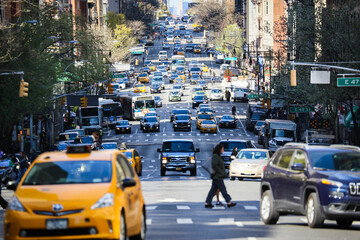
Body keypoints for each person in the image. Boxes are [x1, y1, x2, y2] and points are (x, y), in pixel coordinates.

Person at [205, 144, 236, 208]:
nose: (223, 150)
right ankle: (229, 202)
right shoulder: (216, 156)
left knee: (213, 190)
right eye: (222, 149)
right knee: (223, 190)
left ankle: (208, 202)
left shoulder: (217, 156)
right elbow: (214, 165)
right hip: (218, 176)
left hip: (217, 176)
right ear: (219, 149)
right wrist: (220, 171)